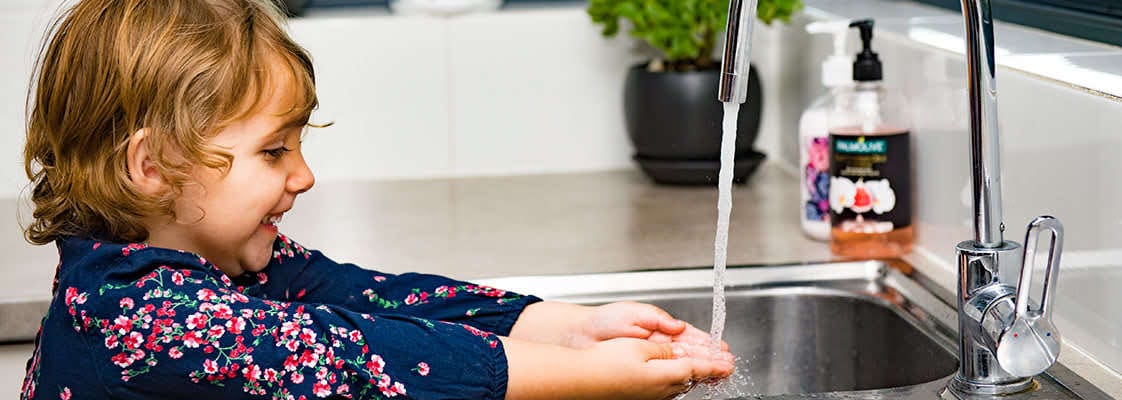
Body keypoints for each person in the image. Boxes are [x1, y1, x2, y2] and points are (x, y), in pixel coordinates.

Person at [18, 0, 735, 399]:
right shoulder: (141, 317)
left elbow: (378, 301)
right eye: (274, 150)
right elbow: (357, 358)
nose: (303, 176)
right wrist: (588, 379)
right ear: (153, 167)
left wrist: (567, 327)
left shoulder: (212, 261)